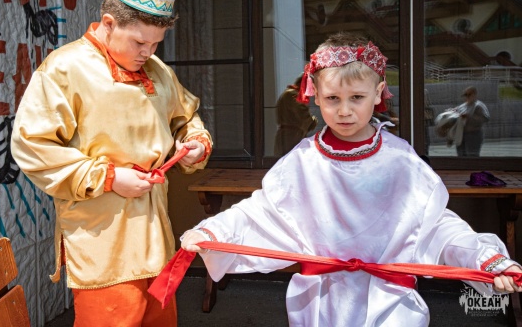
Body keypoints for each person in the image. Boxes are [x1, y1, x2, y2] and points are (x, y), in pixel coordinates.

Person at [180, 32, 521, 327]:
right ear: (315, 96)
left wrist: (486, 259)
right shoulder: (303, 160)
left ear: (378, 92)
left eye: (357, 97)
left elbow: (436, 225)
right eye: (332, 99)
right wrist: (214, 232)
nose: (344, 111)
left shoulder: (400, 159)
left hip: (390, 300)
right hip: (322, 301)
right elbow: (261, 213)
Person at [11, 0, 213, 326]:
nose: (148, 52)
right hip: (103, 239)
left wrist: (195, 142)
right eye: (139, 42)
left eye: (156, 44)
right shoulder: (65, 69)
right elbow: (32, 145)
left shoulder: (157, 70)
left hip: (156, 234)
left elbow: (185, 116)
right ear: (109, 23)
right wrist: (109, 177)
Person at [274, 74, 318, 156]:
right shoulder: (294, 95)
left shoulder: (287, 94)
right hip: (292, 137)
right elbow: (305, 118)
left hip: (286, 136)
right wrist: (314, 121)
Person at [454, 86, 490, 157]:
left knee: (472, 156)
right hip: (461, 135)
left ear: (474, 94)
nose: (467, 97)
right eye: (465, 95)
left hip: (473, 135)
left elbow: (485, 118)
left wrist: (469, 117)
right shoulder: (462, 106)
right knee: (461, 156)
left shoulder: (479, 106)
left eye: (469, 95)